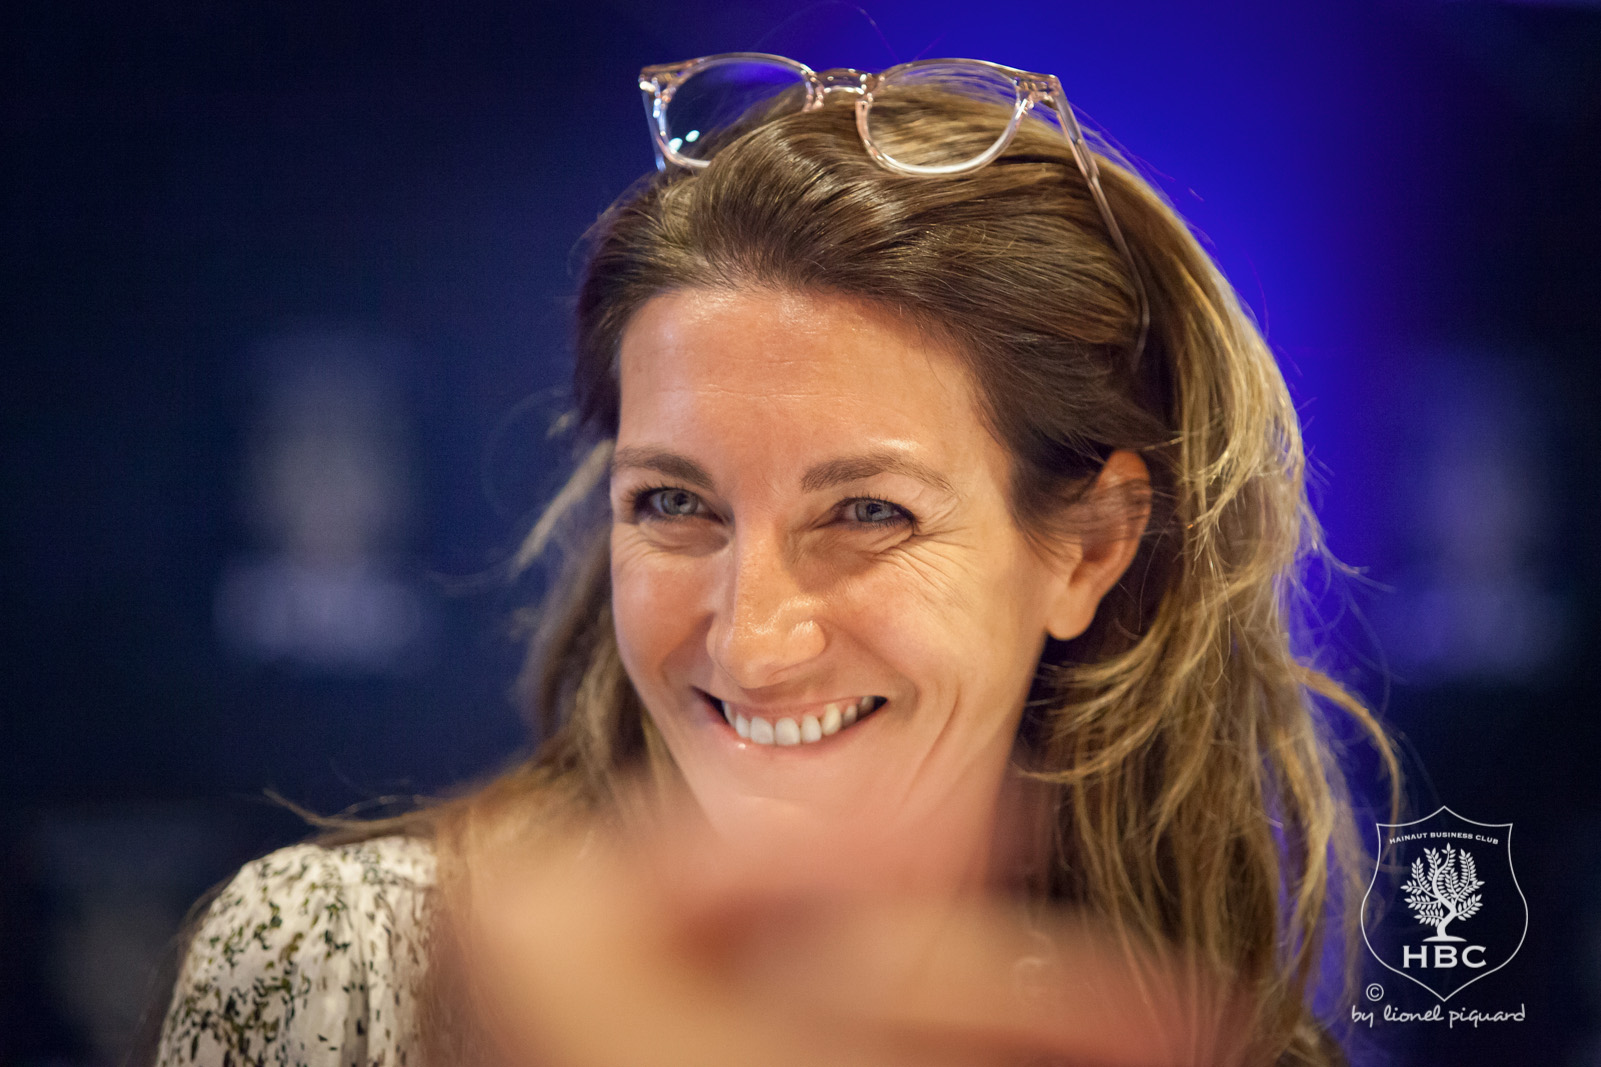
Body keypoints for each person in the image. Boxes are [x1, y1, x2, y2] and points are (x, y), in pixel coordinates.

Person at [149, 54, 1397, 1067]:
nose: (750, 640)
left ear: (1087, 547)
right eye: (672, 503)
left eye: (867, 513)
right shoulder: (338, 965)